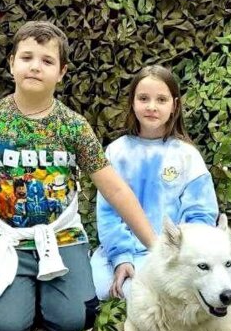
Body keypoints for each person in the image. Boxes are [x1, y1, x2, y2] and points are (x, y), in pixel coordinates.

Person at [0, 21, 157, 331]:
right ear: (11, 63)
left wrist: (155, 246)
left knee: (75, 320)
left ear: (61, 72)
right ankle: (15, 294)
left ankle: (45, 292)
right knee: (0, 329)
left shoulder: (73, 126)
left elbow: (115, 189)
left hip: (61, 238)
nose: (35, 66)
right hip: (5, 239)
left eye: (47, 61)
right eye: (27, 57)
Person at [90, 65, 218, 300]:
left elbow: (201, 216)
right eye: (143, 98)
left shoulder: (187, 156)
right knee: (99, 289)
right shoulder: (116, 153)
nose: (151, 106)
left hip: (174, 256)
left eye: (161, 99)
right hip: (123, 251)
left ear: (174, 106)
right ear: (132, 102)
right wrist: (122, 259)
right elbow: (108, 215)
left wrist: (180, 255)